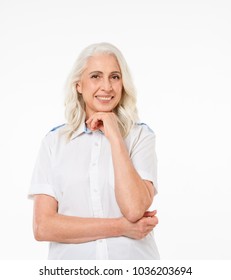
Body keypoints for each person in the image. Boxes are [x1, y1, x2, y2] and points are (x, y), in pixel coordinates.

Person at [28, 42, 159, 259]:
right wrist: (121, 227)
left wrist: (115, 136)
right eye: (96, 76)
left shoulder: (140, 137)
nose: (106, 87)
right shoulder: (54, 142)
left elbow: (134, 209)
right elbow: (43, 227)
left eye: (115, 77)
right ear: (79, 85)